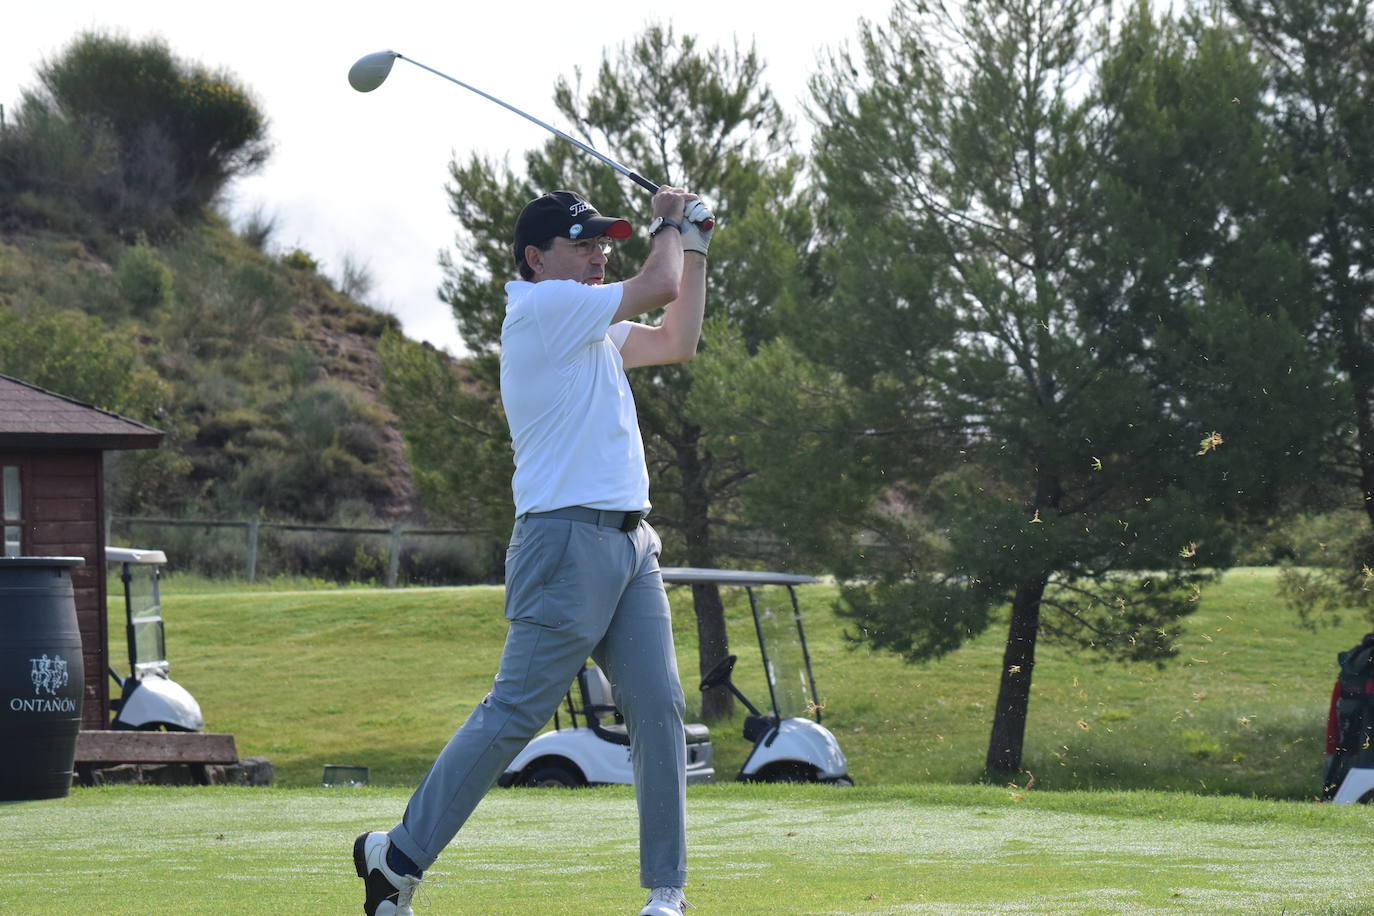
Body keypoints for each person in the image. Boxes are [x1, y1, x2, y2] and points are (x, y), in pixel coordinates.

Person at [353, 186, 713, 916]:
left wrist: (696, 243)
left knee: (658, 708)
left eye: (602, 243)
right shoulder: (543, 309)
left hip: (631, 543)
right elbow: (658, 284)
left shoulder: (585, 325)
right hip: (564, 541)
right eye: (583, 245)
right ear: (536, 258)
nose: (597, 254)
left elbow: (678, 337)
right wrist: (673, 225)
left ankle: (665, 898)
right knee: (515, 711)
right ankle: (398, 858)